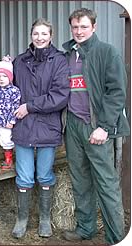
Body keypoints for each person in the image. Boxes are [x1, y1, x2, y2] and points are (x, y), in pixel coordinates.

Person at [61, 8, 130, 244]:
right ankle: (86, 228)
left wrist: (104, 126)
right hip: (73, 125)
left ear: (94, 27)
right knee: (80, 180)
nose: (79, 31)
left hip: (96, 127)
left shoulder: (107, 53)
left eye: (84, 27)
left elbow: (117, 93)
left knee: (106, 183)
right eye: (75, 27)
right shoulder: (68, 54)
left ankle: (116, 238)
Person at [2, 18, 70, 239]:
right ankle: (21, 220)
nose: (39, 38)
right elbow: (7, 89)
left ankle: (45, 219)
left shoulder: (59, 61)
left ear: (51, 36)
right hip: (23, 127)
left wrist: (30, 107)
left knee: (44, 174)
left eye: (44, 34)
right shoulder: (19, 61)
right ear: (31, 36)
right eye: (36, 34)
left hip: (47, 127)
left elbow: (60, 96)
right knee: (24, 176)